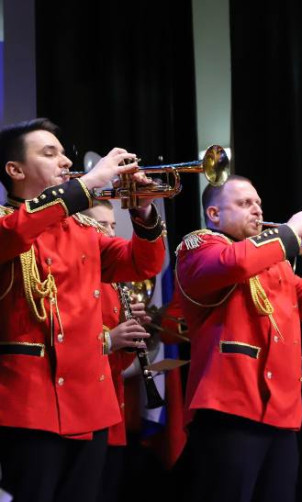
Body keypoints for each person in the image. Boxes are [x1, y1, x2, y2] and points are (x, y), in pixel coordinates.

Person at [0, 118, 166, 502]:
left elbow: (140, 264)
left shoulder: (82, 230)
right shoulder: (8, 222)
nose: (63, 161)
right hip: (29, 404)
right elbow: (17, 233)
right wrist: (88, 183)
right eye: (48, 153)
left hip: (88, 403)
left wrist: (143, 214)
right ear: (15, 170)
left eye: (62, 153)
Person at [174, 174, 302, 502]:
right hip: (230, 406)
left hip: (280, 408)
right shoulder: (199, 246)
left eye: (258, 203)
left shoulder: (273, 261)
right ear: (214, 215)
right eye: (244, 203)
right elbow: (234, 264)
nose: (256, 210)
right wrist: (291, 231)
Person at [83, 199, 153, 502]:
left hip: (113, 413)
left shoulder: (113, 282)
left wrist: (130, 335)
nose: (111, 235)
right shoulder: (76, 278)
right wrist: (111, 337)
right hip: (82, 416)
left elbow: (118, 361)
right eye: (102, 226)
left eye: (113, 226)